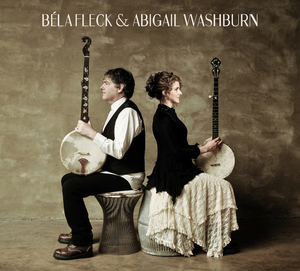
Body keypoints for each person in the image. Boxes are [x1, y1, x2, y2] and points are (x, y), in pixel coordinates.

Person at [53, 68, 145, 260]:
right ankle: (81, 230)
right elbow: (107, 147)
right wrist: (88, 135)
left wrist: (92, 133)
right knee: (67, 179)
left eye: (106, 83)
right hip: (114, 173)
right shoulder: (116, 110)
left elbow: (119, 151)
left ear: (120, 88)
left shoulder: (127, 112)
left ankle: (82, 243)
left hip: (126, 178)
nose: (101, 86)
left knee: (72, 187)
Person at [145, 71, 238, 257]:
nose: (180, 93)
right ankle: (215, 242)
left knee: (221, 186)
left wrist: (202, 146)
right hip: (172, 173)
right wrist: (204, 150)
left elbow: (177, 146)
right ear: (165, 92)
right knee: (224, 186)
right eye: (176, 89)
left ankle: (213, 240)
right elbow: (176, 152)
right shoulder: (162, 118)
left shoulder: (169, 114)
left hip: (179, 168)